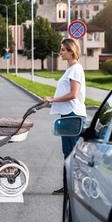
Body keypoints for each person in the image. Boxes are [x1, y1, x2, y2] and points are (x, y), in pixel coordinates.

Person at [43, 37, 87, 195]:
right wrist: (50, 101)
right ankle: (68, 187)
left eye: (63, 50)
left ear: (71, 51)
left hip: (73, 114)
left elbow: (73, 94)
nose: (60, 52)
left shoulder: (75, 69)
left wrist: (53, 99)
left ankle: (75, 188)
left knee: (72, 153)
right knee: (68, 152)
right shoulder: (71, 69)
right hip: (68, 115)